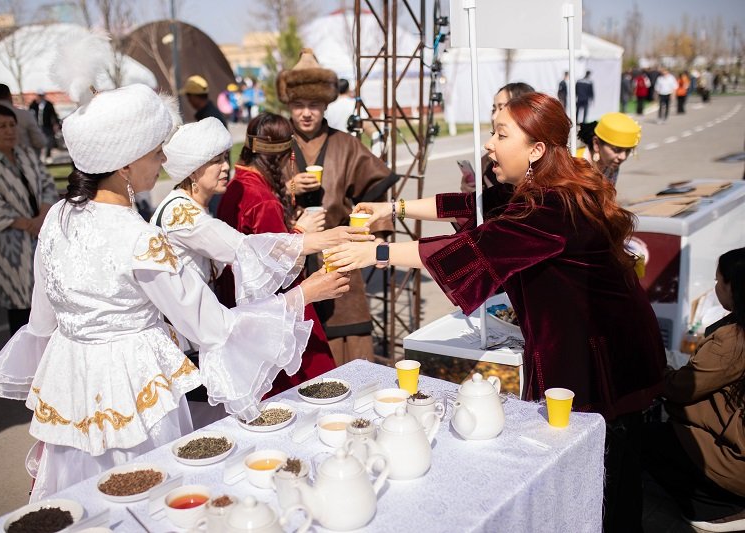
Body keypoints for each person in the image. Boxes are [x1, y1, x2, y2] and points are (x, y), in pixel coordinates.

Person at [0, 33, 347, 502]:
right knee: (148, 494)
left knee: (79, 502)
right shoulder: (140, 238)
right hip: (134, 390)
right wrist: (305, 293)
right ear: (125, 164)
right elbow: (215, 329)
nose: (164, 161)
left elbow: (43, 322)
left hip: (70, 385)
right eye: (155, 152)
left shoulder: (57, 218)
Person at [329, 92, 667, 532]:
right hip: (592, 341)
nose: (489, 143)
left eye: (501, 134)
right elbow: (473, 207)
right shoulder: (541, 183)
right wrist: (391, 209)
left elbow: (473, 249)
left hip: (602, 355)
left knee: (605, 474)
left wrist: (376, 252)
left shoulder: (552, 204)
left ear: (537, 148)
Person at [153, 117, 363, 424]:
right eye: (214, 161)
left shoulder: (194, 206)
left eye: (225, 158)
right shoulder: (181, 214)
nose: (225, 167)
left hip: (200, 329)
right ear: (192, 170)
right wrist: (317, 239)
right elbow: (244, 249)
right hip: (189, 339)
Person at [277, 48, 399, 364]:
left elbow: (374, 189)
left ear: (326, 105)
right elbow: (254, 195)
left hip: (339, 256)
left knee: (347, 339)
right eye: (299, 105)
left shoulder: (346, 144)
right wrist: (288, 188)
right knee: (294, 342)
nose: (306, 113)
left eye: (314, 105)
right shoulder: (276, 146)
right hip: (288, 260)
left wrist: (379, 236)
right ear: (288, 105)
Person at [217, 112, 347, 392]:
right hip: (271, 306)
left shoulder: (240, 184)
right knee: (307, 380)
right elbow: (275, 266)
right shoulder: (262, 200)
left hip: (236, 297)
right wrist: (301, 232)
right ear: (288, 155)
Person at [642, 247, 745, 532]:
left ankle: (720, 509)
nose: (715, 287)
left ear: (734, 287)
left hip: (736, 460)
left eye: (718, 281)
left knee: (644, 441)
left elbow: (681, 389)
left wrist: (655, 369)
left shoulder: (733, 340)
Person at [0, 104, 58, 335]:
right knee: (22, 309)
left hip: (41, 235)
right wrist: (30, 224)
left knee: (49, 301)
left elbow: (47, 185)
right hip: (10, 245)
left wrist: (42, 216)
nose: (9, 131)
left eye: (12, 125)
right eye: (2, 126)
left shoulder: (26, 154)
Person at [461, 82, 535, 194]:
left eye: (501, 108)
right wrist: (472, 196)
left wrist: (488, 196)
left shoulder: (546, 189)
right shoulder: (486, 160)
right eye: (493, 109)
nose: (494, 116)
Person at [577, 112, 641, 186]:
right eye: (617, 150)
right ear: (596, 144)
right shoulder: (575, 165)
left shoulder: (611, 165)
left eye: (628, 150)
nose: (623, 157)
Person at [0, 83, 46, 151]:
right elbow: (40, 142)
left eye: (12, 125)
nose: (10, 132)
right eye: (2, 126)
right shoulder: (24, 115)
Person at [28, 90, 60, 161]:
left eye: (41, 96)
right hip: (36, 126)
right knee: (37, 142)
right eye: (39, 96)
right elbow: (30, 114)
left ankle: (48, 155)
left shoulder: (48, 104)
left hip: (47, 126)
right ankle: (38, 157)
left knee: (49, 141)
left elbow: (53, 115)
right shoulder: (33, 104)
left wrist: (56, 123)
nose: (40, 97)